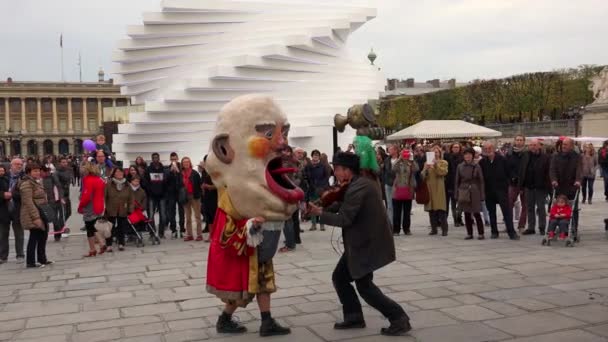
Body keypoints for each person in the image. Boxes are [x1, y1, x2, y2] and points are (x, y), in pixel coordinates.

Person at [205, 95, 304, 337]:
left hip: (259, 247)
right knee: (243, 290)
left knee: (263, 284)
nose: (282, 143)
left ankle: (266, 321)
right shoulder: (228, 198)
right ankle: (226, 318)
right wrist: (250, 225)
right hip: (246, 249)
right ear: (224, 149)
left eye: (284, 132)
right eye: (268, 134)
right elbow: (226, 234)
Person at [307, 152, 411, 336]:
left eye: (337, 169)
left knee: (364, 286)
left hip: (367, 243)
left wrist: (320, 213)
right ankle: (354, 316)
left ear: (347, 170)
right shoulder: (355, 184)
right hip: (361, 242)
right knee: (340, 277)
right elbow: (341, 205)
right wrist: (322, 206)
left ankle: (398, 318)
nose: (336, 173)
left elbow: (345, 218)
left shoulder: (360, 187)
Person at [479, 142, 519, 240]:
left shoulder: (502, 159)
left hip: (501, 189)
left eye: (489, 148)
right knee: (491, 212)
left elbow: (510, 172)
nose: (488, 150)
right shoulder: (482, 162)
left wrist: (513, 181)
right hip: (489, 190)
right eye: (486, 148)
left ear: (494, 149)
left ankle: (512, 232)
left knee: (506, 212)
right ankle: (494, 231)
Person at [20, 162, 53, 268]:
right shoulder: (26, 184)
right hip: (33, 214)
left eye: (38, 170)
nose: (37, 172)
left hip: (42, 211)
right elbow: (28, 202)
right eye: (34, 171)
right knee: (34, 237)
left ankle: (42, 259)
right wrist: (36, 218)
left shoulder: (36, 182)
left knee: (43, 236)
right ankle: (30, 262)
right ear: (29, 172)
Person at [518, 139, 552, 236]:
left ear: (539, 146)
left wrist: (547, 186)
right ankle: (531, 227)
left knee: (541, 207)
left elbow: (548, 173)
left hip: (540, 187)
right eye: (531, 145)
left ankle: (542, 227)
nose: (533, 147)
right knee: (529, 207)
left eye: (535, 145)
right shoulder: (525, 156)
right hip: (529, 186)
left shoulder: (546, 157)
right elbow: (521, 170)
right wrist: (521, 186)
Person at [550, 138, 582, 234]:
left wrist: (578, 180)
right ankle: (558, 228)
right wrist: (554, 180)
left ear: (572, 146)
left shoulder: (577, 157)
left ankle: (573, 229)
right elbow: (552, 169)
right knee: (558, 208)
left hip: (572, 187)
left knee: (573, 209)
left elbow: (579, 170)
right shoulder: (556, 156)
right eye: (563, 144)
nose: (563, 146)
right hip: (559, 186)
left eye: (566, 144)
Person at [455, 148, 485, 240]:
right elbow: (457, 181)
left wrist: (482, 194)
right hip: (464, 190)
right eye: (465, 154)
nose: (467, 156)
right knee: (467, 213)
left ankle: (481, 233)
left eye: (469, 154)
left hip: (474, 190)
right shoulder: (460, 166)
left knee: (476, 212)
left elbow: (481, 181)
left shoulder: (477, 166)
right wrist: (456, 194)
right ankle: (469, 233)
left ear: (472, 155)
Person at [78, 162, 106, 257]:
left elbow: (86, 196)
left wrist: (81, 206)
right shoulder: (99, 179)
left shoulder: (88, 180)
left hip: (90, 206)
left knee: (90, 227)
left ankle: (95, 247)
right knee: (93, 226)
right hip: (99, 205)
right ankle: (96, 246)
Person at [422, 145, 449, 236]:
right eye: (433, 152)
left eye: (436, 152)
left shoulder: (443, 162)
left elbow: (443, 172)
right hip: (429, 188)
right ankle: (434, 229)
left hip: (439, 188)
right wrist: (426, 168)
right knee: (431, 210)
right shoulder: (427, 163)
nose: (435, 154)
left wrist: (436, 164)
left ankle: (444, 229)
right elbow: (422, 176)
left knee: (441, 209)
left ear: (439, 153)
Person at [3, 158, 25, 263]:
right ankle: (3, 256)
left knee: (19, 233)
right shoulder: (3, 176)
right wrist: (3, 195)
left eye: (21, 164)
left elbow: (26, 193)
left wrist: (13, 194)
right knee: (2, 234)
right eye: (17, 164)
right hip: (3, 208)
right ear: (11, 166)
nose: (19, 166)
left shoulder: (24, 178)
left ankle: (20, 254)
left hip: (17, 208)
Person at [391, 149, 418, 235]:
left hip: (408, 189)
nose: (405, 156)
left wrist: (412, 160)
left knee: (407, 211)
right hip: (398, 189)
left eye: (406, 155)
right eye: (404, 155)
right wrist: (399, 158)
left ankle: (407, 229)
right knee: (396, 212)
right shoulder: (399, 163)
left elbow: (416, 169)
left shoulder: (411, 163)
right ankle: (396, 230)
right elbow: (393, 168)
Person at [105, 167, 131, 251]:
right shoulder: (109, 184)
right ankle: (109, 244)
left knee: (121, 227)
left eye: (121, 172)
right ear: (114, 173)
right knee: (110, 227)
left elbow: (131, 198)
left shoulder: (127, 184)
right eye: (117, 172)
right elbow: (104, 197)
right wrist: (104, 208)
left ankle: (121, 243)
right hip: (111, 208)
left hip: (123, 208)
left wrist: (130, 208)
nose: (119, 173)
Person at [305, 149, 329, 231]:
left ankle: (322, 224)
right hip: (312, 189)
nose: (315, 156)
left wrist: (322, 186)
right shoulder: (308, 166)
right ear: (312, 156)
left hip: (321, 189)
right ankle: (313, 224)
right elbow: (307, 177)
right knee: (312, 207)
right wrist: (310, 184)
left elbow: (326, 177)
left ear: (319, 157)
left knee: (321, 206)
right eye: (314, 155)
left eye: (317, 155)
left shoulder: (323, 165)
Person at [145, 153, 168, 237]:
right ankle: (152, 232)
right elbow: (146, 182)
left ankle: (161, 233)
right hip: (152, 196)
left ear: (159, 158)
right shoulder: (148, 169)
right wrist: (150, 191)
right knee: (151, 215)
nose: (155, 159)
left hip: (162, 196)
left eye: (156, 157)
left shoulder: (163, 169)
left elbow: (166, 182)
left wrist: (164, 192)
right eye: (154, 158)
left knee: (163, 215)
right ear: (152, 159)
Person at [181, 157, 204, 241]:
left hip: (195, 196)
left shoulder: (195, 173)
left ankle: (199, 234)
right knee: (187, 217)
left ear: (190, 163)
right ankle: (189, 234)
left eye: (187, 162)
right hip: (185, 197)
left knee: (197, 216)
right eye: (184, 162)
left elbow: (200, 184)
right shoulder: (181, 174)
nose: (186, 163)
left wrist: (200, 194)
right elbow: (178, 185)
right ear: (182, 164)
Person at [507, 135, 527, 230]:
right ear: (514, 141)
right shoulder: (510, 153)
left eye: (521, 140)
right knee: (509, 203)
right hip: (513, 182)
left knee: (525, 205)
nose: (519, 142)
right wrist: (512, 176)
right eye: (517, 140)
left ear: (524, 142)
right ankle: (509, 225)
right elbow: (507, 167)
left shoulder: (527, 153)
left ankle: (521, 225)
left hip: (525, 182)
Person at [166, 152, 186, 239]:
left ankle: (182, 229)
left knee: (182, 211)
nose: (174, 160)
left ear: (177, 159)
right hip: (171, 193)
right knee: (172, 211)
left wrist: (178, 171)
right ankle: (173, 229)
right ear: (170, 159)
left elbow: (183, 180)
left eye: (175, 159)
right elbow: (165, 180)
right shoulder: (167, 168)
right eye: (172, 159)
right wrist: (170, 172)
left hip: (180, 192)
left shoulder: (181, 168)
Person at [444, 142, 464, 227]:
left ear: (459, 148)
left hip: (459, 182)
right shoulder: (447, 156)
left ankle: (458, 218)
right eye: (454, 147)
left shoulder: (462, 157)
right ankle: (446, 220)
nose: (455, 148)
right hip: (449, 182)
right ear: (451, 148)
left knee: (459, 203)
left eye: (457, 147)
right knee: (449, 203)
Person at [200, 155, 218, 239]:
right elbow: (202, 182)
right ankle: (211, 236)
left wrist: (210, 187)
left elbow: (221, 185)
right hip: (206, 197)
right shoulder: (204, 172)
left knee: (215, 217)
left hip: (215, 197)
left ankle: (216, 235)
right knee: (208, 218)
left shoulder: (216, 171)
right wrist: (203, 187)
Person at [55, 157, 73, 238]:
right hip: (61, 195)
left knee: (69, 212)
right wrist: (61, 196)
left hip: (67, 194)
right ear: (59, 163)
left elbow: (69, 181)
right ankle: (59, 231)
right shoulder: (57, 172)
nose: (64, 163)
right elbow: (58, 184)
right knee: (62, 213)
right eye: (62, 162)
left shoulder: (68, 170)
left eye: (65, 162)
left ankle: (59, 227)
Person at [382, 145, 399, 225]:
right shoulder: (387, 160)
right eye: (388, 149)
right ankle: (390, 223)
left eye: (390, 149)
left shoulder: (400, 160)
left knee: (397, 205)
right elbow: (386, 171)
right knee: (389, 205)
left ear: (395, 150)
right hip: (388, 183)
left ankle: (397, 223)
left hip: (398, 184)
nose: (388, 151)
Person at [0, 165, 11, 264]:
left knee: (4, 234)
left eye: (2, 170)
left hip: (5, 211)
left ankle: (3, 256)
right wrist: (3, 195)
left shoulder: (7, 179)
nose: (1, 172)